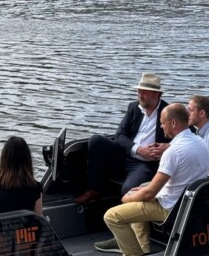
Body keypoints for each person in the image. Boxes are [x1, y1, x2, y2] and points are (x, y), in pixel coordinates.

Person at [101, 104, 209, 256]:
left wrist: (127, 198)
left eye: (163, 123)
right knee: (140, 188)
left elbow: (151, 192)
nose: (161, 126)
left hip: (169, 208)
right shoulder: (200, 143)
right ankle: (143, 246)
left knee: (112, 216)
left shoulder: (172, 152)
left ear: (173, 123)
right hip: (187, 202)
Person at [73, 72, 170, 205]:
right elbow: (119, 135)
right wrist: (138, 149)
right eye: (138, 92)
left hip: (145, 164)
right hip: (125, 155)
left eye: (144, 92)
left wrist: (168, 147)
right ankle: (94, 189)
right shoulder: (134, 107)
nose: (140, 96)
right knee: (96, 141)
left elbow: (187, 136)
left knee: (128, 190)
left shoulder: (169, 111)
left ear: (156, 94)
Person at [0, 136, 43, 216]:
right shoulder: (35, 188)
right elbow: (39, 217)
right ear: (27, 160)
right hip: (22, 228)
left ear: (3, 158)